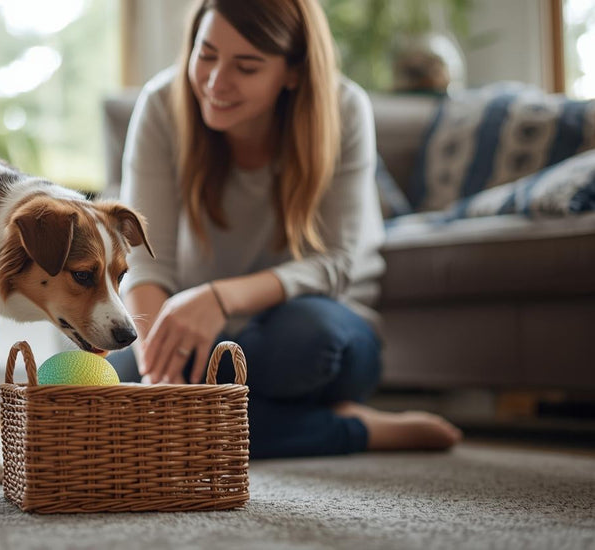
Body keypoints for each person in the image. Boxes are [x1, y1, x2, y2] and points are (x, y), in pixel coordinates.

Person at [109, 0, 462, 459]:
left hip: (320, 328)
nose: (216, 82)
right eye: (207, 54)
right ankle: (353, 428)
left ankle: (218, 411)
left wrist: (220, 297)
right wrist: (160, 381)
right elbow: (146, 262)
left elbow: (337, 263)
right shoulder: (162, 104)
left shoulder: (343, 108)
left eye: (247, 66)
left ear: (291, 72)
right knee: (111, 388)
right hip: (207, 342)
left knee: (305, 343)